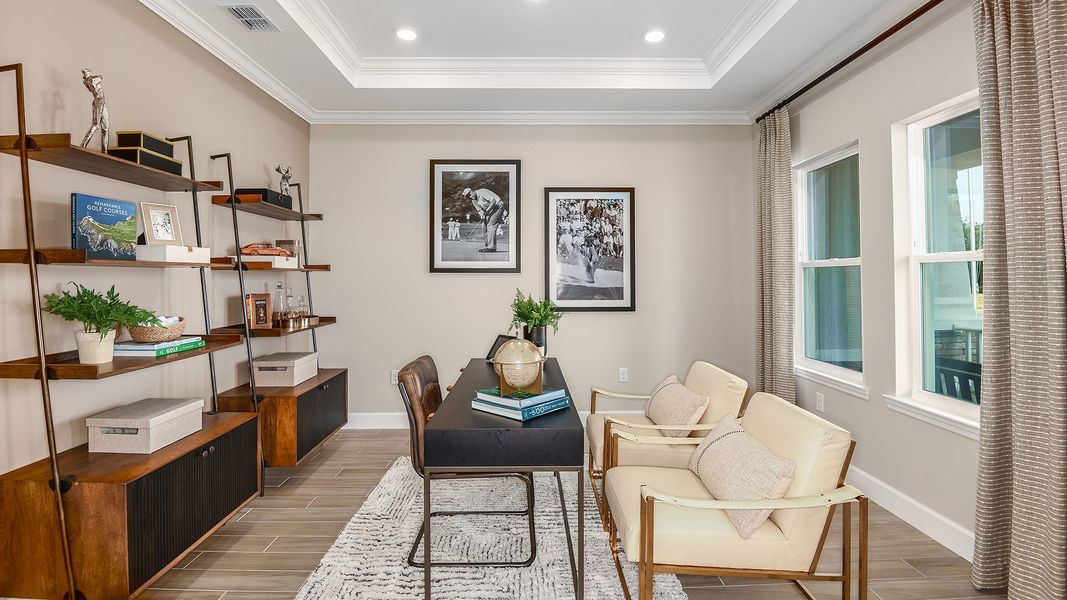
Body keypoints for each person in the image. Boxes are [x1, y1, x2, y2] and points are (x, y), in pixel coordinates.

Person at [460, 187, 505, 252]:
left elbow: (493, 201)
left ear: (472, 191)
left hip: (498, 206)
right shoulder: (474, 200)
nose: (469, 197)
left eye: (469, 194)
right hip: (490, 210)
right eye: (467, 196)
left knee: (491, 225)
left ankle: (491, 247)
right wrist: (482, 216)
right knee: (483, 226)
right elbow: (480, 210)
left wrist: (487, 211)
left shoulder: (482, 192)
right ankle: (487, 246)